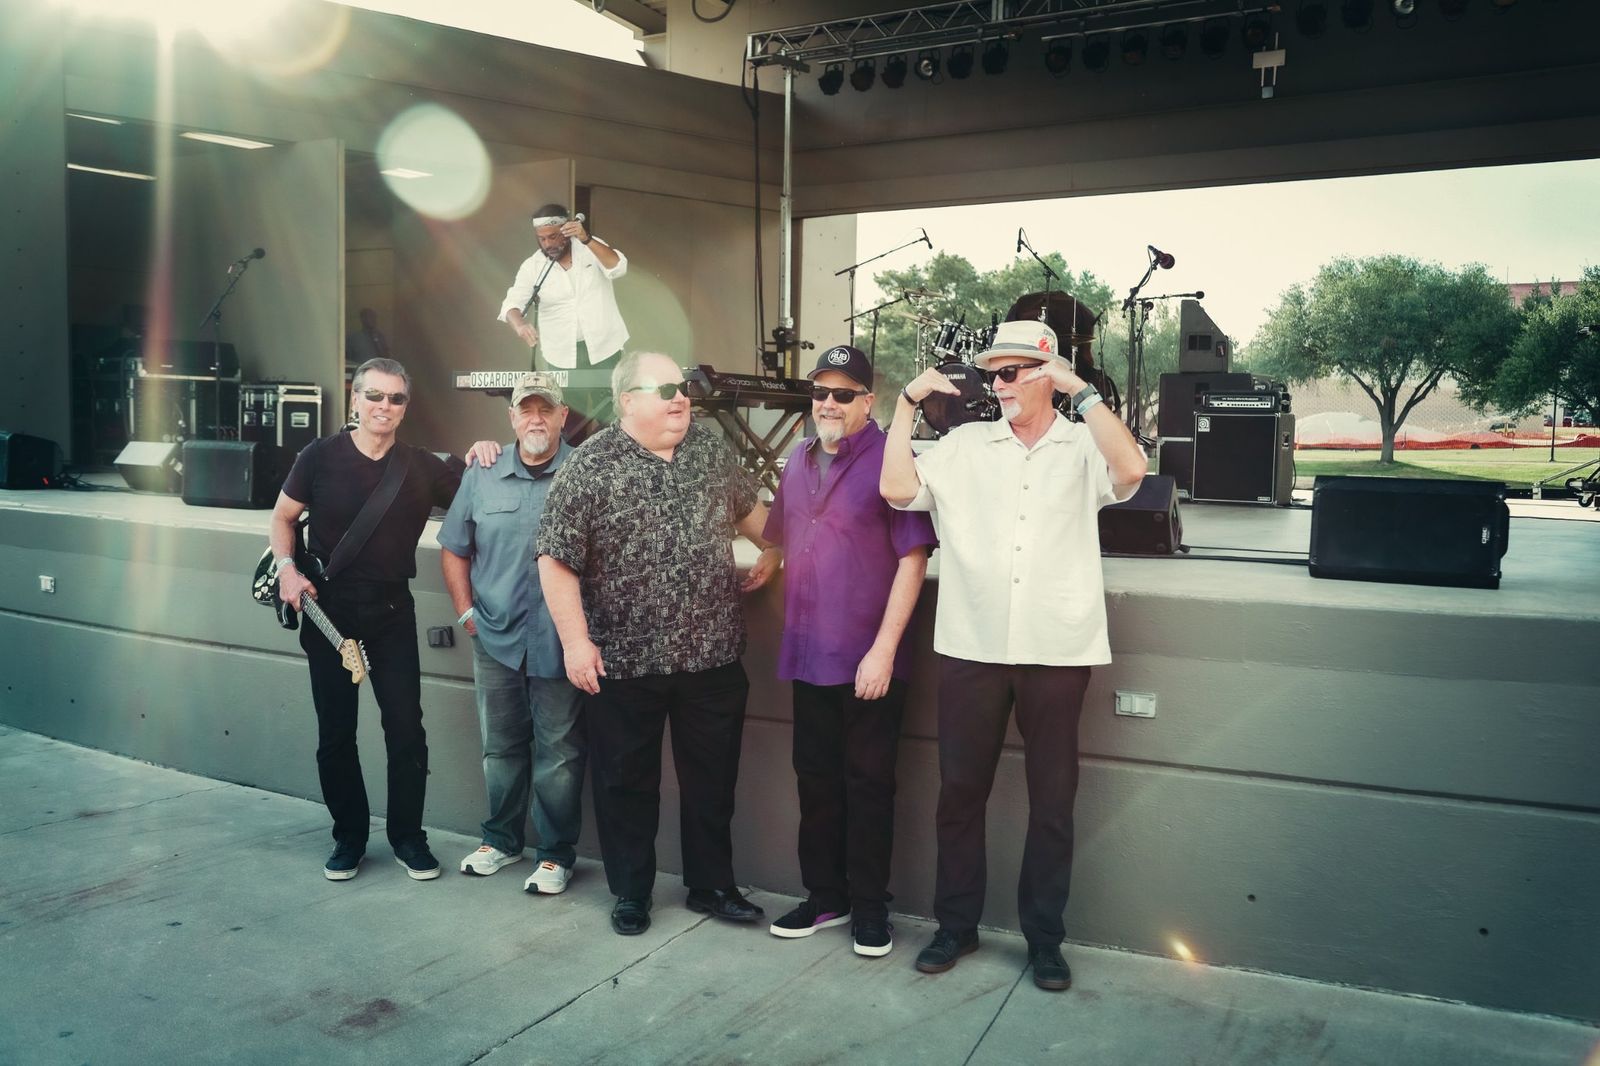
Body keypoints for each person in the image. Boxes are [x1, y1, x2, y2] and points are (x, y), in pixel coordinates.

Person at [880, 320, 1147, 991]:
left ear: (1045, 373)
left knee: (1052, 802)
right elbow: (896, 490)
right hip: (971, 646)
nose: (996, 385)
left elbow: (1132, 471)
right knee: (959, 795)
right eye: (990, 374)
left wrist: (1082, 392)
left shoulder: (1083, 443)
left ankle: (1045, 939)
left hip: (1057, 648)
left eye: (1010, 372)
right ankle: (956, 925)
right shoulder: (966, 445)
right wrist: (905, 405)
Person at [535, 351, 780, 937]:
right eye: (665, 389)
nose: (681, 398)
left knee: (712, 783)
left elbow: (756, 516)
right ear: (627, 400)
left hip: (712, 657)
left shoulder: (709, 451)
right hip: (624, 664)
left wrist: (774, 549)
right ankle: (631, 892)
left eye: (684, 388)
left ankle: (712, 885)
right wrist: (576, 643)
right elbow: (555, 560)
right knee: (625, 785)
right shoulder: (590, 465)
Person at [762, 344, 936, 958]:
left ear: (868, 401)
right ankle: (825, 897)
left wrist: (884, 650)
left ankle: (870, 908)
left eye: (843, 394)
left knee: (869, 786)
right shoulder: (798, 457)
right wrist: (765, 564)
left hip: (868, 659)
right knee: (815, 783)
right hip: (807, 653)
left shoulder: (892, 460)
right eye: (820, 393)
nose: (828, 404)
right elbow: (779, 535)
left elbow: (913, 559)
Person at [269, 357, 463, 882]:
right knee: (336, 733)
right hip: (328, 612)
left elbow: (479, 497)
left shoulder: (423, 467)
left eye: (395, 398)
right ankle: (349, 837)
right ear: (355, 399)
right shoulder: (318, 456)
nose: (384, 406)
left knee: (406, 730)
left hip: (391, 613)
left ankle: (408, 838)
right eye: (374, 395)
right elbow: (283, 517)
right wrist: (288, 570)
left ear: (405, 407)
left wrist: (487, 453)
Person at [439, 372, 587, 895]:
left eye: (546, 409)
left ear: (563, 416)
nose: (536, 419)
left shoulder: (586, 472)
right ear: (512, 417)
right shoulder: (482, 471)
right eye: (526, 409)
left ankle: (555, 856)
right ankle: (501, 841)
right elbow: (455, 547)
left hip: (560, 642)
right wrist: (466, 613)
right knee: (500, 748)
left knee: (560, 754)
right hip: (496, 639)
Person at [498, 204, 628, 371]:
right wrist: (520, 325)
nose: (547, 244)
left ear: (566, 231)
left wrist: (586, 239)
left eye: (553, 237)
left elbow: (618, 267)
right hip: (561, 355)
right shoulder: (532, 266)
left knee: (611, 389)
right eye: (542, 239)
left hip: (605, 347)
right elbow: (511, 304)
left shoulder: (589, 247)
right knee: (564, 391)